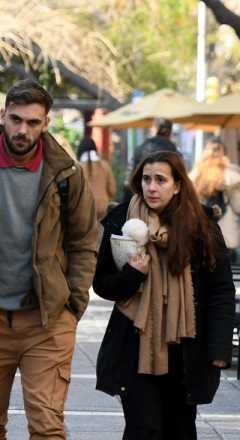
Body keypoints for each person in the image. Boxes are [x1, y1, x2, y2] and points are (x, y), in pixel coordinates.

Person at [93, 151, 234, 439]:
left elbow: (221, 289)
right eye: (146, 179)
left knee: (180, 429)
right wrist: (132, 275)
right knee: (144, 428)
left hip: (185, 349)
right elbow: (102, 284)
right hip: (135, 345)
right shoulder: (122, 219)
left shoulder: (202, 226)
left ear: (178, 185)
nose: (152, 187)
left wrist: (219, 347)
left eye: (160, 180)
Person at [0, 79, 100, 439]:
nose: (22, 130)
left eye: (31, 122)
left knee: (46, 427)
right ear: (3, 115)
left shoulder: (65, 174)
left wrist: (72, 305)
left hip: (46, 321)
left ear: (46, 124)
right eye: (15, 120)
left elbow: (85, 240)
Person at [189, 138, 240, 256]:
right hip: (226, 231)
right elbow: (239, 207)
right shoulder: (232, 176)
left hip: (200, 227)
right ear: (225, 153)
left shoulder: (196, 175)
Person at [123, 118, 178, 202]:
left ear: (154, 129)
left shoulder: (141, 146)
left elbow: (130, 176)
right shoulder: (172, 149)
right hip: (166, 200)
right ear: (169, 131)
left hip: (141, 196)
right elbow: (179, 175)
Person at [77, 137, 118, 219]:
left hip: (83, 210)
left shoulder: (77, 167)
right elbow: (112, 190)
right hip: (103, 209)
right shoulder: (104, 166)